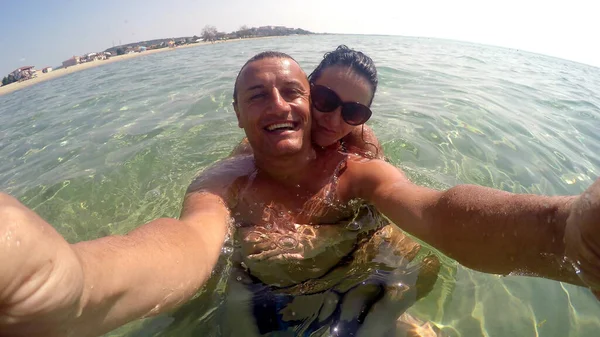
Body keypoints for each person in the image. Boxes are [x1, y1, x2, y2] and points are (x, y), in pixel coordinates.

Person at [1, 51, 599, 337]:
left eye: (291, 91)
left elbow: (435, 210)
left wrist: (564, 230)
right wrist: (71, 282)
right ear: (238, 117)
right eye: (257, 95)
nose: (281, 104)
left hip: (361, 268)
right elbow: (187, 243)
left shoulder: (358, 168)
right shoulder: (224, 182)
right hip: (262, 288)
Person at [226, 45, 439, 336]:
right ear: (306, 89)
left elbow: (379, 212)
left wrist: (324, 237)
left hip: (346, 249)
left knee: (410, 253)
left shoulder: (362, 146)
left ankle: (393, 316)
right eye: (325, 99)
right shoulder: (259, 146)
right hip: (289, 281)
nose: (334, 120)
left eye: (353, 111)